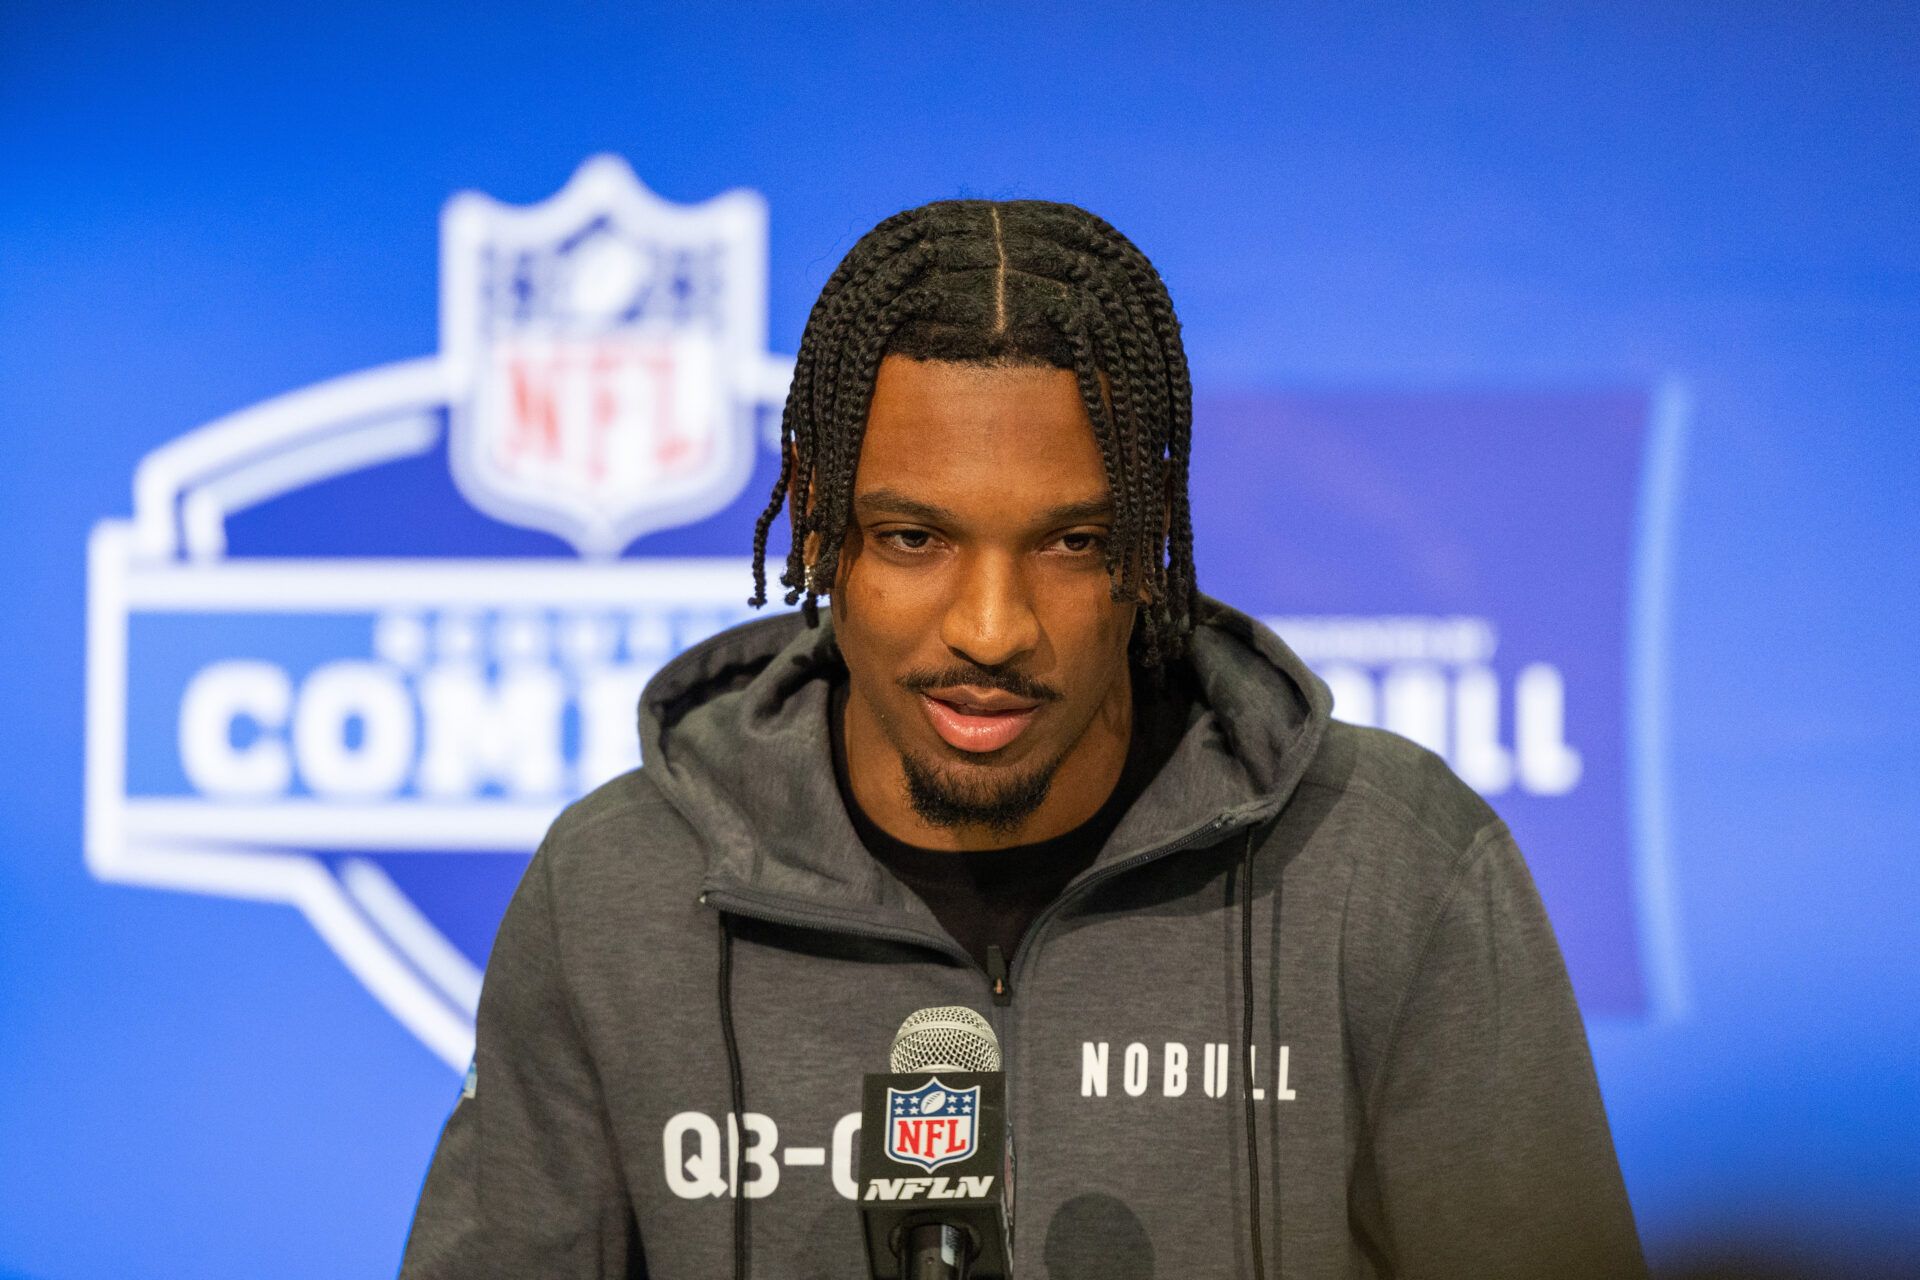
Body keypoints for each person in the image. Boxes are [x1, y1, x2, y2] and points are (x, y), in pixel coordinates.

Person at [399, 199, 1646, 1279]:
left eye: (1071, 542)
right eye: (914, 538)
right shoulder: (617, 893)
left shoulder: (1390, 868)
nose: (991, 629)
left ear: (1149, 542)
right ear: (820, 524)